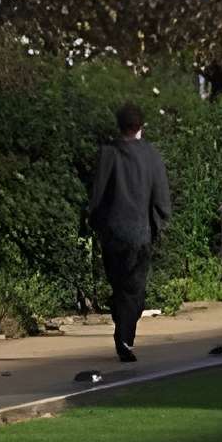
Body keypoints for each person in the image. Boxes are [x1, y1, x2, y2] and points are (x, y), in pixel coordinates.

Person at [82, 102, 171, 364]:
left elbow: (97, 195)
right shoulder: (151, 155)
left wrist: (95, 223)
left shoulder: (108, 153)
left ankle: (121, 323)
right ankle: (124, 335)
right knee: (135, 289)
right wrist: (159, 223)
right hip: (140, 233)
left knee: (119, 284)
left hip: (112, 233)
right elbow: (161, 197)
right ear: (140, 126)